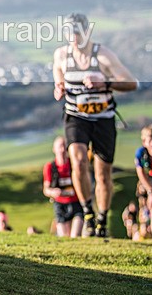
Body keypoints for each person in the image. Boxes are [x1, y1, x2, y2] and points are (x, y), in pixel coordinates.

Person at [52, 13, 138, 237]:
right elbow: (57, 72)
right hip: (76, 116)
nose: (73, 38)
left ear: (86, 32)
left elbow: (132, 83)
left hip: (103, 118)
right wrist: (58, 87)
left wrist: (105, 83)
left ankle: (102, 218)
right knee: (78, 162)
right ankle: (87, 212)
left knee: (103, 174)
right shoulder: (62, 54)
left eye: (77, 33)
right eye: (69, 33)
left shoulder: (103, 56)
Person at [43, 136, 83, 237]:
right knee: (64, 236)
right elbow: (46, 189)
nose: (62, 150)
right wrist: (53, 192)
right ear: (54, 149)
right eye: (59, 147)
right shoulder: (50, 167)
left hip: (76, 202)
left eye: (64, 147)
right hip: (60, 204)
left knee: (75, 235)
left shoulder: (74, 164)